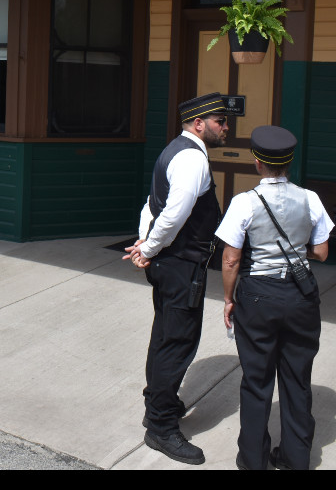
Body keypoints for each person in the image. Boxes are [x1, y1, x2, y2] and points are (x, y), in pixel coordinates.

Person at [216, 125, 334, 470]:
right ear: (289, 161)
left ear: (257, 163)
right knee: (297, 381)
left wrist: (228, 299)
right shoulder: (310, 198)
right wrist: (295, 253)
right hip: (300, 295)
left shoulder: (243, 202)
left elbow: (231, 258)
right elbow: (323, 252)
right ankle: (296, 459)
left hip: (258, 295)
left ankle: (253, 460)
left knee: (256, 381)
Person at [124, 91, 230, 465]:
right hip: (181, 265)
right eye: (220, 122)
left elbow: (150, 204)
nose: (226, 128)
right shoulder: (192, 160)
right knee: (178, 343)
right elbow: (172, 214)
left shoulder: (175, 151)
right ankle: (161, 427)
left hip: (169, 264)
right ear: (199, 124)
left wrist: (143, 242)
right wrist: (148, 249)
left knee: (165, 335)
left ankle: (159, 401)